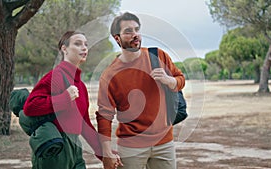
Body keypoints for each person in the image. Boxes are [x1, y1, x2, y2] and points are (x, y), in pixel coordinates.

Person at [96, 12, 185, 169]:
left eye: (137, 29)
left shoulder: (158, 56)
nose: (135, 34)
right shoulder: (109, 75)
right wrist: (106, 151)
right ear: (117, 38)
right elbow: (104, 115)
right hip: (130, 147)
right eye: (128, 31)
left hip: (164, 143)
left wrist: (170, 81)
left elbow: (180, 79)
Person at [23, 31, 103, 169]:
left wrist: (103, 153)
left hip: (75, 147)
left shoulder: (81, 86)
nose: (84, 48)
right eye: (77, 44)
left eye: (86, 44)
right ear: (64, 49)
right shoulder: (56, 76)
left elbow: (84, 124)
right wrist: (65, 98)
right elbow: (30, 107)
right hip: (55, 148)